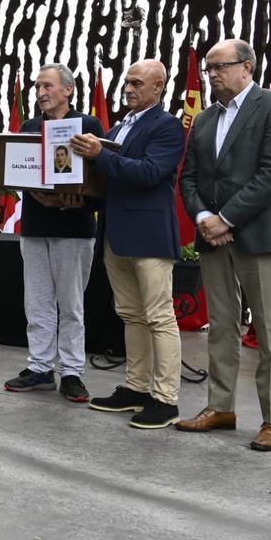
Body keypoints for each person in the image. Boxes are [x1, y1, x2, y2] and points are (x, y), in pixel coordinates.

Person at [175, 38, 271, 452]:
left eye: (220, 66)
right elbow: (189, 178)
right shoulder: (205, 119)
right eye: (208, 68)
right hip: (213, 238)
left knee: (270, 333)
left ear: (246, 67)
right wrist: (204, 219)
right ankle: (220, 407)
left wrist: (226, 218)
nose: (212, 74)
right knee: (222, 329)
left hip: (263, 237)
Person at [72, 59, 185, 429]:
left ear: (159, 87)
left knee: (158, 316)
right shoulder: (120, 126)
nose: (129, 89)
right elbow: (108, 178)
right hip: (117, 233)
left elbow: (151, 172)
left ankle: (165, 399)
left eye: (137, 83)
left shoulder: (167, 126)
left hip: (149, 235)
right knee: (131, 314)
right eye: (127, 82)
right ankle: (136, 387)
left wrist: (101, 155)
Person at [2, 65, 103, 401]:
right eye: (37, 87)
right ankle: (40, 367)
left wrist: (78, 199)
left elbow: (100, 176)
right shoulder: (30, 127)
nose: (41, 92)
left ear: (68, 90)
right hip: (34, 225)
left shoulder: (88, 126)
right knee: (38, 302)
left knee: (71, 305)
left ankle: (72, 372)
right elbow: (19, 167)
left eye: (47, 86)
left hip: (73, 229)